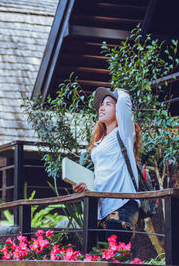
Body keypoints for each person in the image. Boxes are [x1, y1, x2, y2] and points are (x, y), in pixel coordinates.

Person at [73, 87, 141, 244]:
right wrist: (85, 187)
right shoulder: (100, 141)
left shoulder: (123, 133)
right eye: (101, 105)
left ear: (118, 110)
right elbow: (102, 176)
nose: (101, 108)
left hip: (121, 204)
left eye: (108, 104)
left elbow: (124, 102)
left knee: (115, 257)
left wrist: (117, 91)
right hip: (101, 208)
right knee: (102, 258)